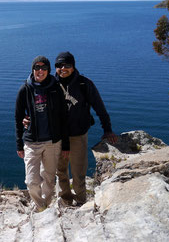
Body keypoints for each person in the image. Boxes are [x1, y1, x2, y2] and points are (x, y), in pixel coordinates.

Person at [24, 52, 117, 206]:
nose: (63, 68)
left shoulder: (84, 84)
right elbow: (36, 105)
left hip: (77, 135)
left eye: (67, 65)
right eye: (59, 65)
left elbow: (100, 108)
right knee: (60, 172)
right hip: (57, 136)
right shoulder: (50, 84)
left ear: (73, 67)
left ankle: (81, 202)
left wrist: (107, 129)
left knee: (78, 172)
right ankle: (65, 200)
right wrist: (27, 118)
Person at [15, 56, 69, 212]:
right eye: (37, 67)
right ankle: (40, 205)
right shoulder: (25, 89)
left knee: (49, 179)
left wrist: (65, 144)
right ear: (32, 69)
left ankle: (45, 205)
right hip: (32, 142)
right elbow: (18, 118)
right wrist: (19, 143)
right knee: (31, 181)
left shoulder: (55, 88)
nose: (40, 71)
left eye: (44, 68)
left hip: (53, 142)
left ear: (49, 70)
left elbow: (63, 117)